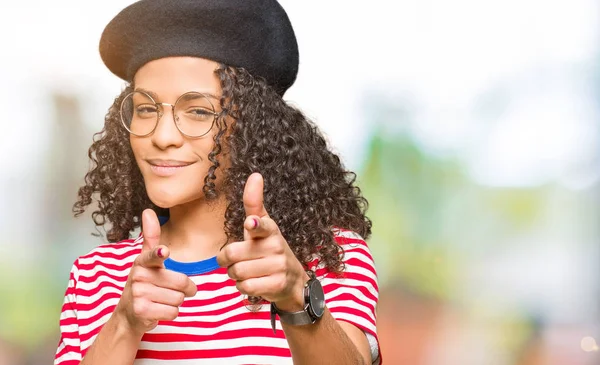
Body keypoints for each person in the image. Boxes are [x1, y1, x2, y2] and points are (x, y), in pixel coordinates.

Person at [54, 0, 381, 364]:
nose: (162, 136)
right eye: (145, 108)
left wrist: (295, 295)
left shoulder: (326, 257)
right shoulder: (96, 276)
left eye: (198, 111)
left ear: (250, 128)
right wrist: (125, 324)